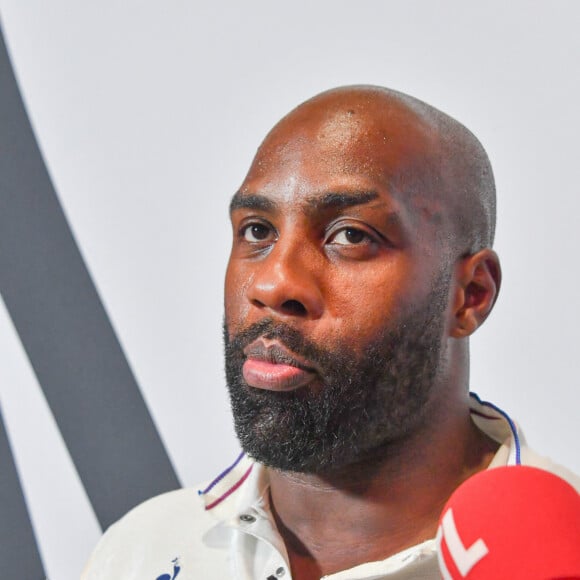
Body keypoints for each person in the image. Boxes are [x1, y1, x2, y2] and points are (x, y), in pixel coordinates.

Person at [82, 86, 579, 580]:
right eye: (257, 231)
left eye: (351, 235)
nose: (274, 283)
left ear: (470, 294)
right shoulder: (141, 551)